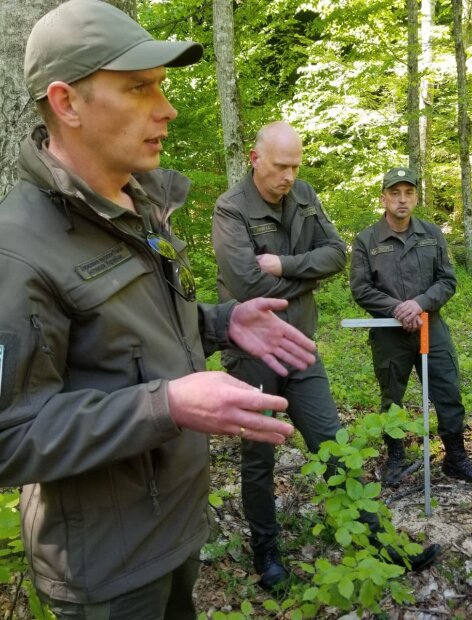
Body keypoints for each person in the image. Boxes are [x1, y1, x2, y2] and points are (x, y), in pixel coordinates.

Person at [0, 2, 321, 618]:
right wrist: (167, 405)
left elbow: (125, 336)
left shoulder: (135, 206)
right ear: (66, 103)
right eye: (138, 88)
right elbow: (8, 434)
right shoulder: (17, 250)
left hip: (172, 529)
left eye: (163, 87)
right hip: (107, 571)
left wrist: (220, 321)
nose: (166, 108)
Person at [212, 126, 440, 590]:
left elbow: (336, 254)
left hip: (301, 346)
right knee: (258, 458)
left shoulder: (304, 195)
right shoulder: (230, 208)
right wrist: (308, 277)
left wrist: (287, 266)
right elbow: (246, 286)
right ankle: (267, 554)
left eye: (296, 166)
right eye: (281, 166)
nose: (289, 176)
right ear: (256, 158)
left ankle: (379, 543)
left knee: (335, 444)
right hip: (253, 356)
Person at [350, 167, 472, 486]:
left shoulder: (431, 233)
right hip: (389, 333)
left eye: (409, 193)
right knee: (392, 397)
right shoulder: (366, 240)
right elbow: (361, 289)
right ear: (383, 198)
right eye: (395, 193)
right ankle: (396, 457)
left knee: (447, 392)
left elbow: (447, 280)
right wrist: (397, 309)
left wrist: (420, 303)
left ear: (416, 196)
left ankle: (455, 457)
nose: (402, 199)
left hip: (431, 327)